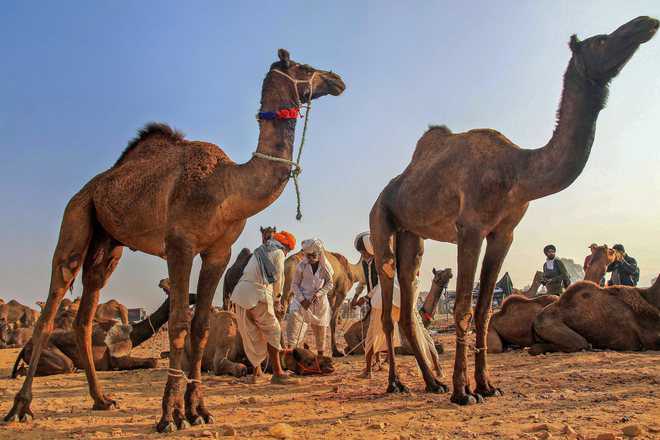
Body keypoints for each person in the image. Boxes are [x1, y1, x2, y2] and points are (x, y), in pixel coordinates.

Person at [350, 232, 443, 379]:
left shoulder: (382, 259)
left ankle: (368, 370)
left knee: (373, 335)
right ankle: (436, 367)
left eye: (363, 251)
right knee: (419, 333)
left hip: (384, 298)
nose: (362, 254)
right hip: (401, 295)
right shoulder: (393, 255)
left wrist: (367, 298)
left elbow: (382, 284)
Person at [230, 230, 297, 385]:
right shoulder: (278, 252)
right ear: (286, 247)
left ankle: (256, 373)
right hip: (258, 293)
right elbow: (279, 277)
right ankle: (278, 373)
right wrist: (278, 300)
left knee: (252, 334)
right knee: (274, 331)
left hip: (240, 294)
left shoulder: (260, 250)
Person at [286, 238, 334, 356]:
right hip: (302, 300)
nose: (310, 258)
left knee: (321, 330)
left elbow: (330, 283)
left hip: (319, 302)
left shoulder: (325, 267)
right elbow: (294, 284)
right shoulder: (301, 266)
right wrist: (302, 300)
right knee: (294, 318)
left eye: (313, 255)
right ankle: (290, 352)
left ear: (319, 254)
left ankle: (320, 357)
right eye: (308, 256)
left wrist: (319, 294)